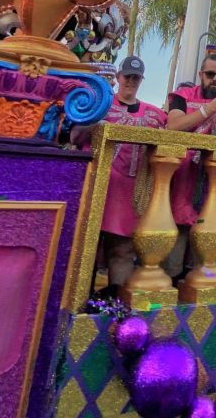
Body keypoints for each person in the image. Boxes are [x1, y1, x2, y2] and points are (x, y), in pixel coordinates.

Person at [73, 56, 167, 289]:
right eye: (127, 76)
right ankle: (80, 301)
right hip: (97, 186)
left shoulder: (154, 115)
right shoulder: (101, 103)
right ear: (118, 77)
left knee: (123, 247)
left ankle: (116, 307)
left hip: (129, 192)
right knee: (87, 246)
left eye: (136, 78)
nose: (131, 81)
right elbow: (75, 137)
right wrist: (96, 118)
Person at [165, 54, 216, 277]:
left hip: (214, 187)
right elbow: (173, 126)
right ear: (201, 75)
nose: (215, 79)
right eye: (210, 74)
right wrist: (207, 110)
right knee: (173, 257)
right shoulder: (181, 97)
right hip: (181, 182)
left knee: (206, 261)